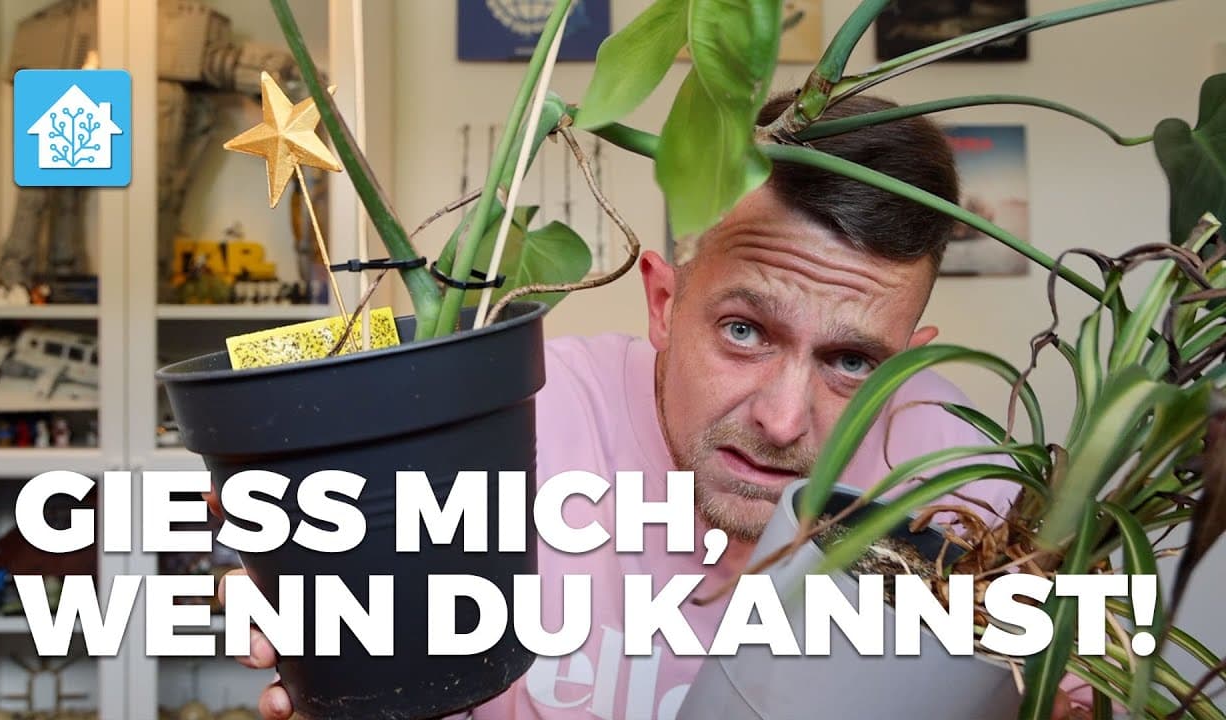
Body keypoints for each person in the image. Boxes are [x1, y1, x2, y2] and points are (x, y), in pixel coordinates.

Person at [210, 93, 1082, 719]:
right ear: (664, 301)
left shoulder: (961, 480)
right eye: (744, 331)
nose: (783, 421)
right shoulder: (510, 422)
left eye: (852, 361)